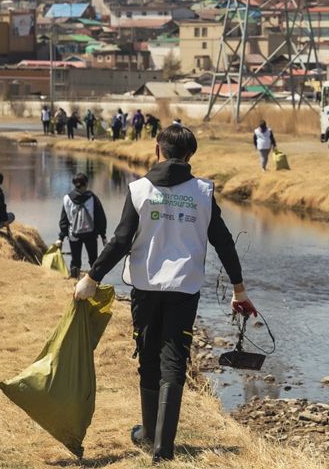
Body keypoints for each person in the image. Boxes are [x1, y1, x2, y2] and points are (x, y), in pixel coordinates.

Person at [72, 125, 258, 461]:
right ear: (190, 155)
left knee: (148, 357)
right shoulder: (203, 192)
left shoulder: (140, 189)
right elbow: (223, 241)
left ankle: (148, 434)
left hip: (145, 287)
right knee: (174, 359)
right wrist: (238, 289)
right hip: (184, 288)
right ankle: (163, 447)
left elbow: (121, 240)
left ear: (157, 149)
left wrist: (92, 277)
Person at [58, 172, 107, 279]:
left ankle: (74, 281)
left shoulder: (67, 199)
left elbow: (64, 220)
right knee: (94, 260)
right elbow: (100, 217)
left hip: (73, 235)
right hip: (91, 234)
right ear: (86, 183)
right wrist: (103, 235)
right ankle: (95, 281)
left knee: (75, 261)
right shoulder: (92, 198)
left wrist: (61, 237)